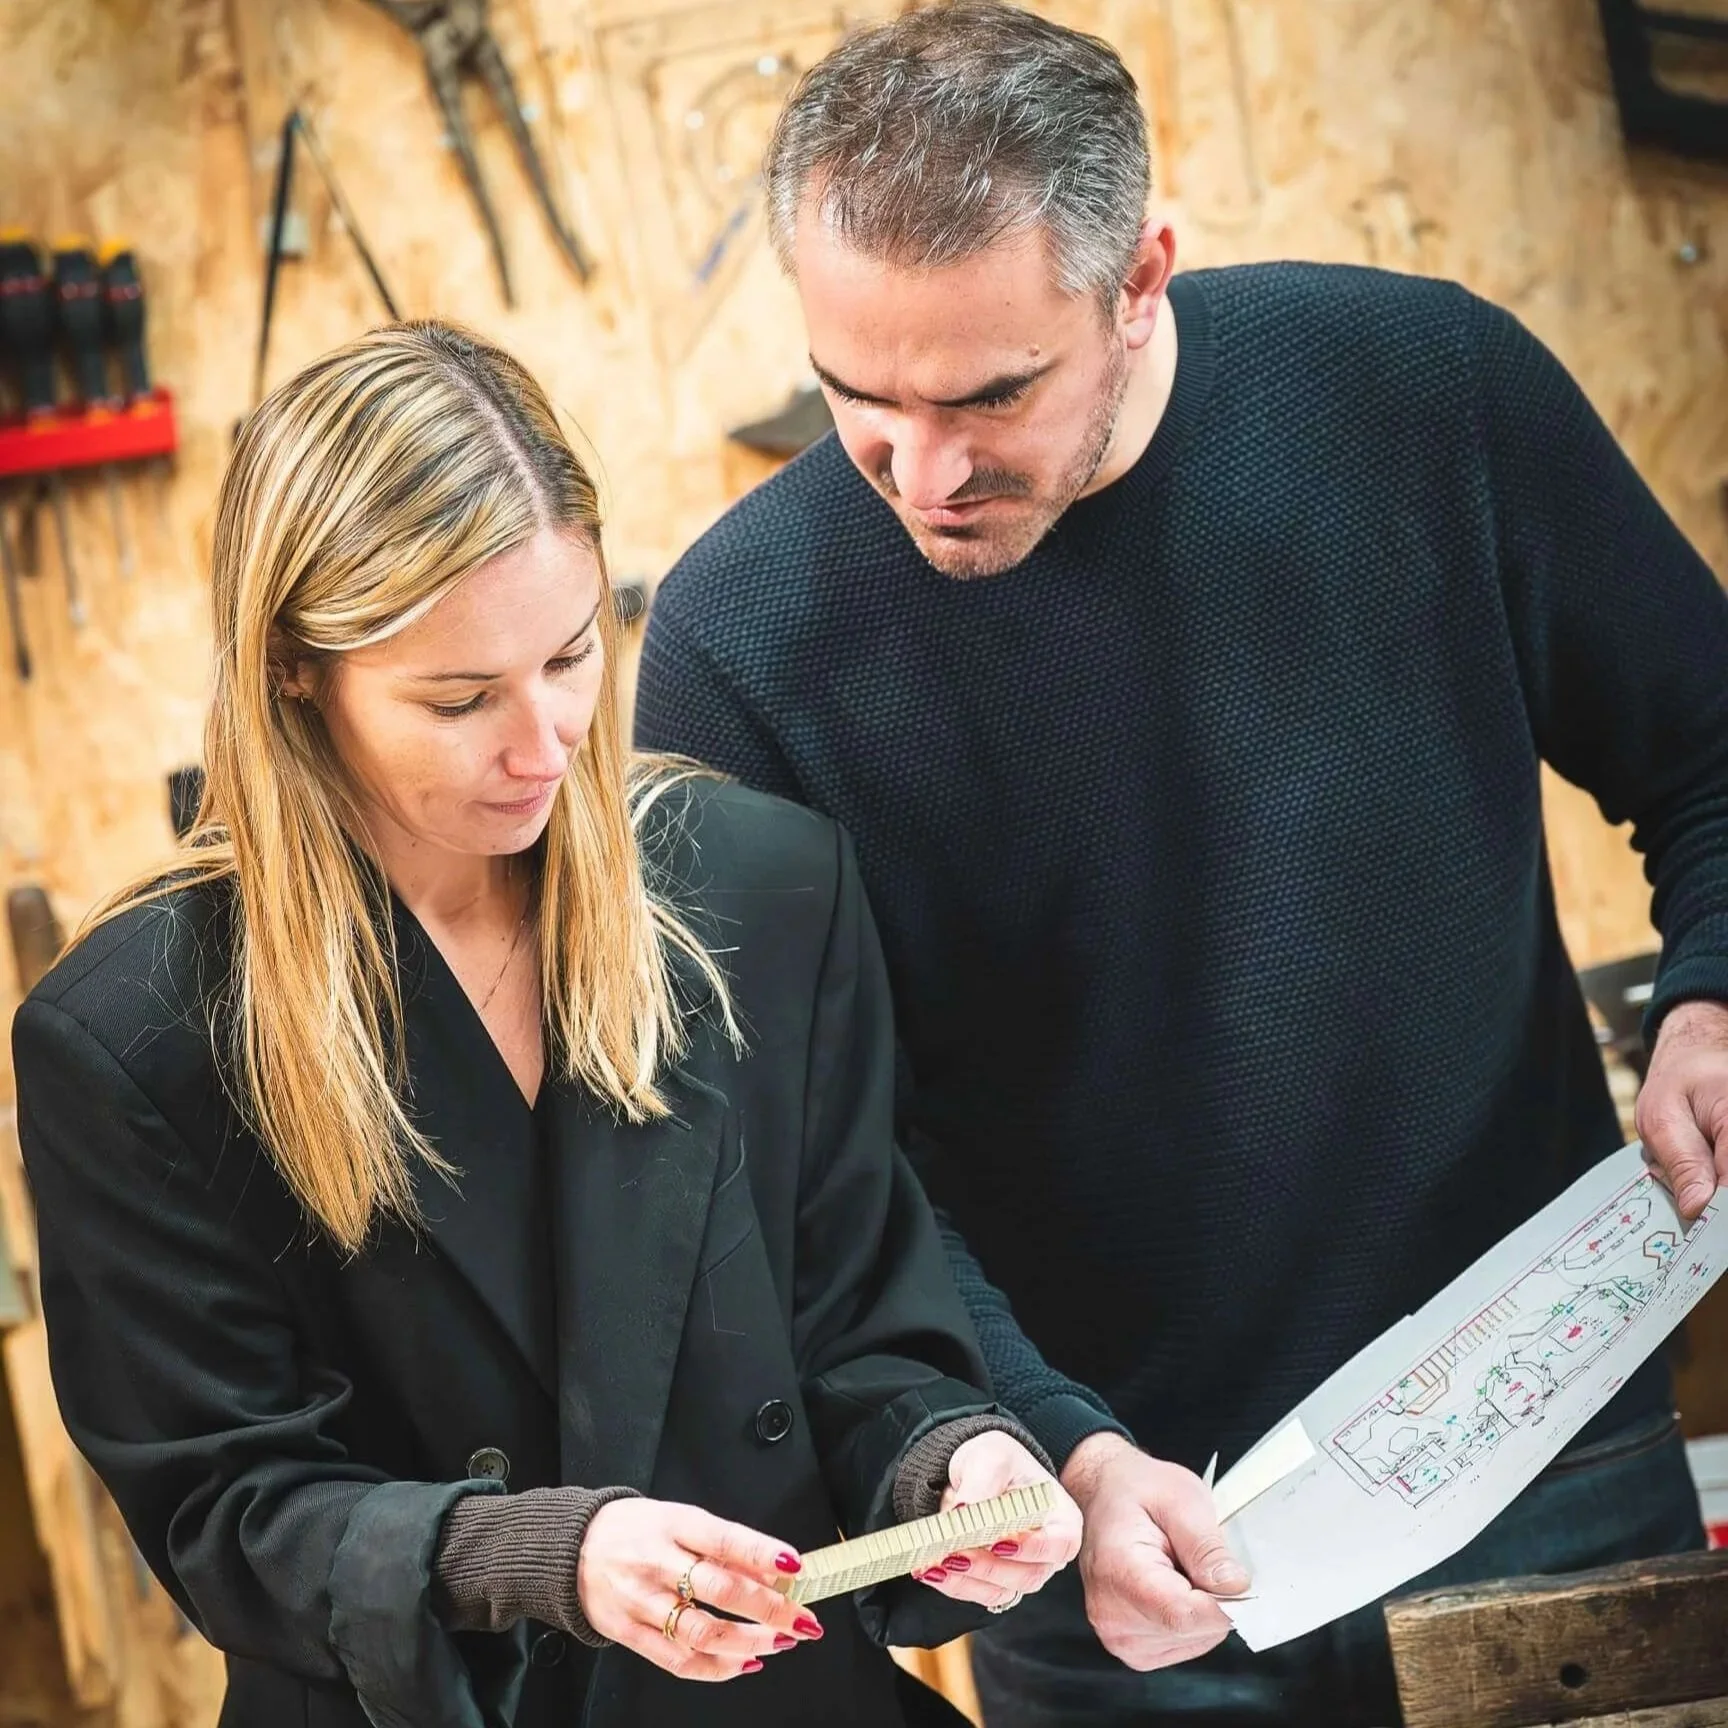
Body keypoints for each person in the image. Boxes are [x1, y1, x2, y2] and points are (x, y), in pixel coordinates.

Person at [632, 4, 1728, 1722]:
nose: (921, 473)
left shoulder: (1430, 396)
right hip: (1111, 1550)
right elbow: (813, 1168)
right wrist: (1049, 1445)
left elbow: (1710, 738)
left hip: (1533, 1442)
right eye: (858, 396)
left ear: (1140, 277)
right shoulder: (737, 646)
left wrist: (1716, 985)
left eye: (992, 394)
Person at [11, 321, 1082, 1728]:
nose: (546, 742)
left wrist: (946, 1468)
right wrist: (546, 1559)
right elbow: (232, 1512)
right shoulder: (137, 1036)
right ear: (291, 670)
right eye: (457, 699)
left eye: (574, 655)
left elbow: (860, 1333)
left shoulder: (763, 889)